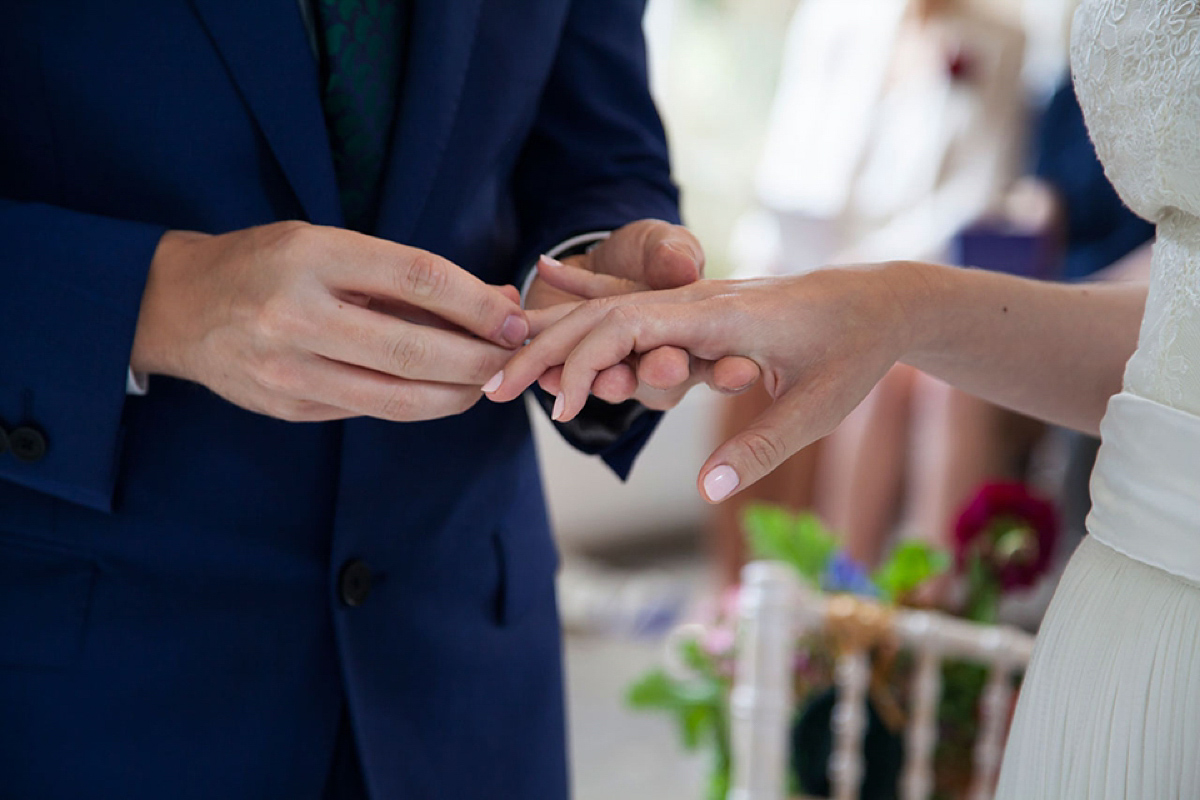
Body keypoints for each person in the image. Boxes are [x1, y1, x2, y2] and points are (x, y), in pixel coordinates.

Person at [0, 2, 758, 798]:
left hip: (467, 683)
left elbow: (595, 149)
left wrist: (592, 273)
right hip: (85, 691)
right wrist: (166, 300)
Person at [489, 0, 1200, 792]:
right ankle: (782, 622)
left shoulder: (997, 44)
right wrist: (894, 304)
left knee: (898, 391)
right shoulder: (845, 31)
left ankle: (860, 632)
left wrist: (900, 300)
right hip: (1124, 601)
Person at [718, 0, 1028, 583]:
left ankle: (848, 598)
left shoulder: (1000, 40)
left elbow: (974, 200)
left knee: (880, 361)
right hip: (813, 261)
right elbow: (787, 166)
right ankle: (733, 590)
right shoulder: (832, 21)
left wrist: (865, 274)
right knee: (738, 344)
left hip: (913, 272)